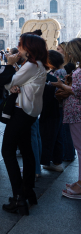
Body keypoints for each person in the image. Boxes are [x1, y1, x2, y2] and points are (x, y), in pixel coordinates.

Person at [1, 34, 48, 215]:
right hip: (30, 113)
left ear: (28, 48)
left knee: (7, 151)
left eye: (20, 46)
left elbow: (8, 81)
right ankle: (28, 191)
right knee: (27, 151)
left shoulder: (30, 65)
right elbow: (16, 84)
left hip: (21, 113)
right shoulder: (39, 65)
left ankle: (19, 198)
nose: (18, 48)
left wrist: (9, 64)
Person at [51, 38, 81, 199]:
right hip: (74, 112)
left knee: (80, 149)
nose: (67, 53)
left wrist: (61, 85)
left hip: (77, 113)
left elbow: (78, 90)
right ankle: (79, 181)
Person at [39, 49, 66, 173]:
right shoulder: (61, 71)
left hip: (53, 108)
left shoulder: (57, 73)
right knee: (57, 135)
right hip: (58, 108)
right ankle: (57, 162)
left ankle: (48, 160)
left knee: (50, 135)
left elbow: (53, 90)